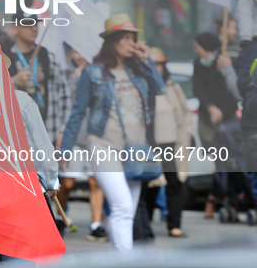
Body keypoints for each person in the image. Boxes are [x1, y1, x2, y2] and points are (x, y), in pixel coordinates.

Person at [60, 14, 165, 252]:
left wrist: (146, 59)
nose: (131, 43)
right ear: (113, 42)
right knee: (122, 207)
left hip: (136, 148)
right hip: (103, 145)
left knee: (125, 213)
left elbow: (159, 88)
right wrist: (65, 149)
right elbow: (77, 112)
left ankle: (115, 258)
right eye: (125, 38)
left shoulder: (139, 72)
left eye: (133, 38)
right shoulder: (93, 73)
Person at [0, 53, 59, 265]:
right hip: (21, 193)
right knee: (23, 259)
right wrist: (51, 182)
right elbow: (42, 149)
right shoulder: (20, 101)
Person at [56, 46, 107, 241]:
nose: (79, 56)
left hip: (96, 138)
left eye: (82, 51)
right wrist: (63, 136)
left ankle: (96, 225)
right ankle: (60, 217)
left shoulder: (100, 74)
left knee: (96, 182)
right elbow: (66, 107)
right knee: (67, 183)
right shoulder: (67, 75)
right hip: (74, 139)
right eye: (75, 52)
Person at [145, 47, 193, 238]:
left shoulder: (173, 87)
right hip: (150, 146)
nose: (157, 68)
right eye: (153, 65)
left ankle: (174, 225)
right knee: (150, 186)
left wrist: (187, 135)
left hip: (172, 145)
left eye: (160, 65)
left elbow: (185, 114)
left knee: (175, 184)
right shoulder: (143, 88)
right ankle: (144, 225)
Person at [3, 11, 71, 146]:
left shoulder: (48, 57)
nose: (34, 28)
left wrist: (63, 132)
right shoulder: (2, 58)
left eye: (36, 24)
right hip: (13, 136)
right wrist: (13, 82)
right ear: (14, 28)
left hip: (47, 132)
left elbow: (64, 96)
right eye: (28, 24)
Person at [193, 32, 242, 218]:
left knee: (228, 163)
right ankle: (220, 200)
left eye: (197, 45)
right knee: (221, 161)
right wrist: (210, 107)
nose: (195, 49)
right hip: (208, 122)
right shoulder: (197, 64)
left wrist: (226, 68)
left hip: (228, 120)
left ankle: (219, 200)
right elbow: (198, 89)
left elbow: (234, 90)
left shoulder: (226, 63)